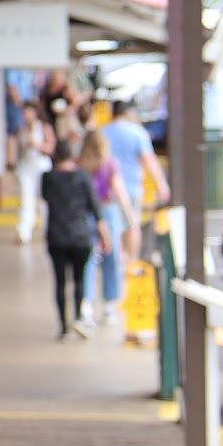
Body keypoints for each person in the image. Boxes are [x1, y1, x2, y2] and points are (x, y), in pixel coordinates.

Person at [42, 140, 109, 339]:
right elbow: (94, 208)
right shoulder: (82, 177)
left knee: (60, 281)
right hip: (80, 235)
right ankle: (79, 318)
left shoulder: (48, 178)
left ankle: (63, 326)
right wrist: (104, 235)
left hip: (56, 235)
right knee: (79, 280)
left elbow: (46, 197)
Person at [79, 129, 140, 325]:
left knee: (88, 259)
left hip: (86, 214)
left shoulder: (81, 166)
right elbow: (120, 192)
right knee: (111, 258)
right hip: (107, 211)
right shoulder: (110, 165)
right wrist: (130, 218)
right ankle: (109, 305)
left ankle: (85, 303)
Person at [103, 100, 171, 213]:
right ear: (127, 113)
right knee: (132, 226)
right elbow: (149, 160)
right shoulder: (138, 132)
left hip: (108, 190)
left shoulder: (102, 133)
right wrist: (161, 184)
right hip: (131, 187)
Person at [14, 102, 53, 244]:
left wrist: (38, 146)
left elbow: (51, 148)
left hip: (40, 166)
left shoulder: (43, 128)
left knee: (44, 200)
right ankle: (24, 231)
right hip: (26, 167)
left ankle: (47, 229)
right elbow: (19, 150)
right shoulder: (22, 130)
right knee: (26, 198)